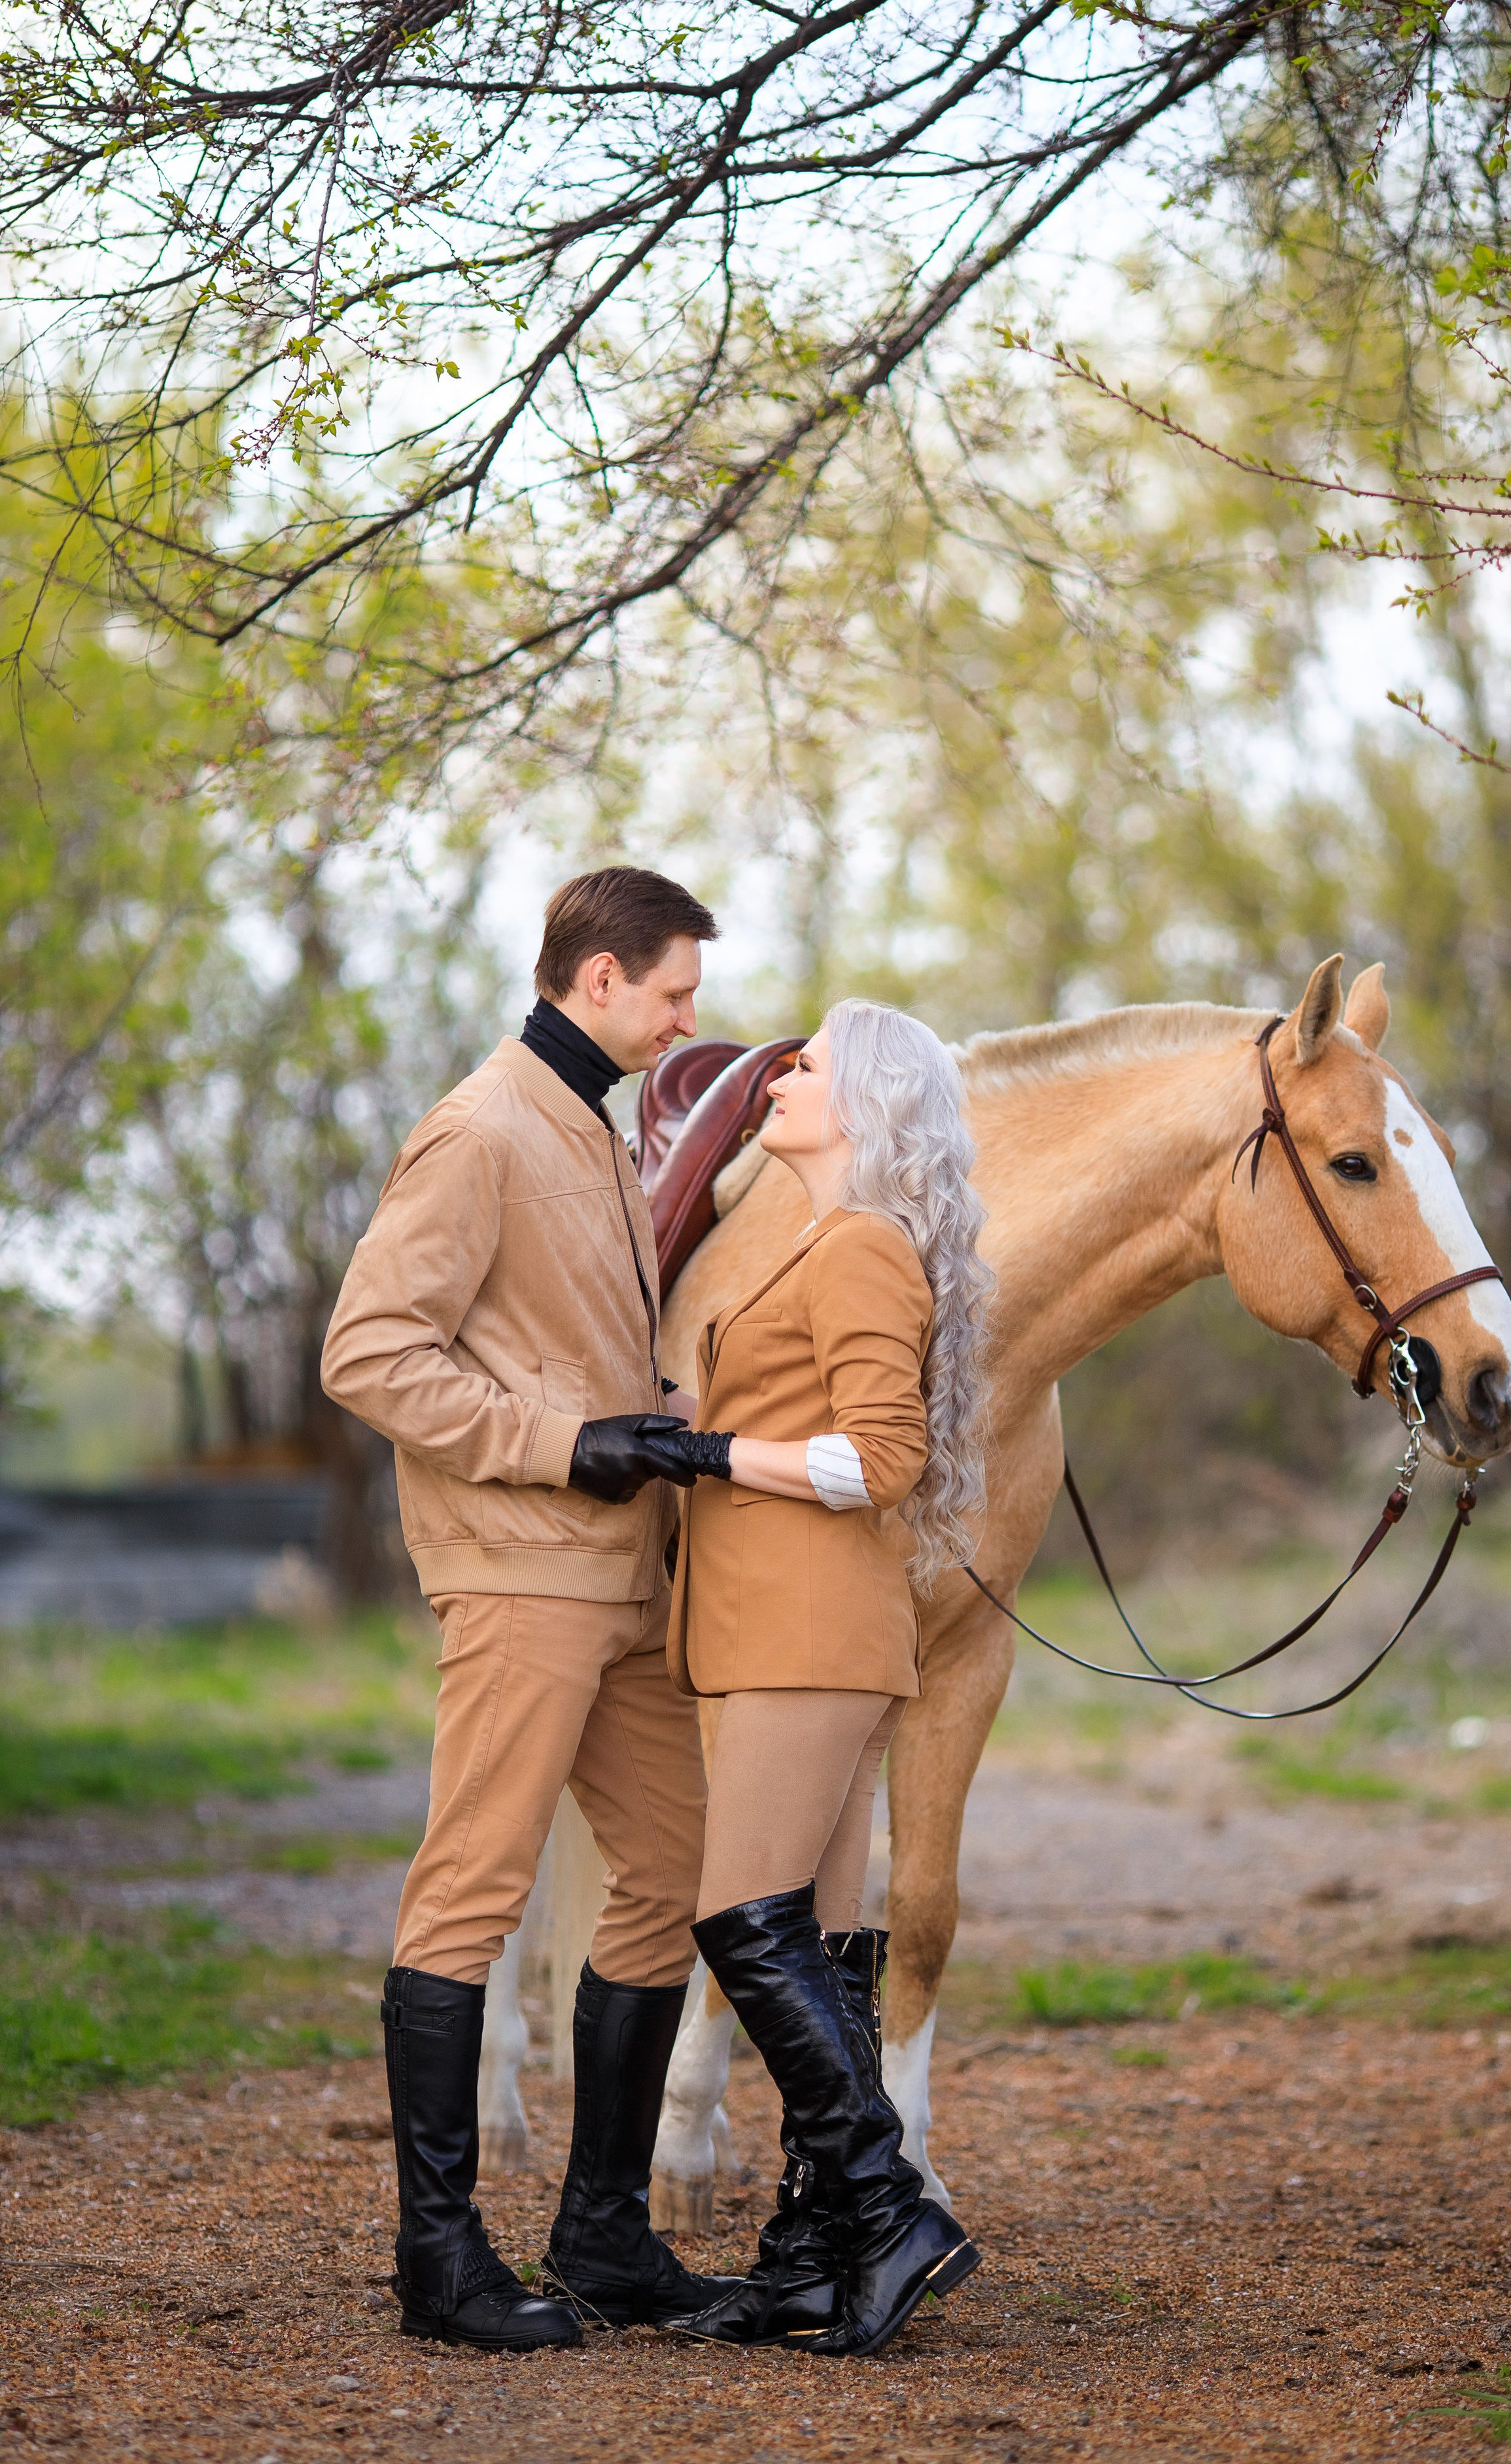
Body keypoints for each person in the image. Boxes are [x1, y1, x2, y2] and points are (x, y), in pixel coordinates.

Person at [320, 864, 742, 2353]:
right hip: (519, 1569)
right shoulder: (484, 1126)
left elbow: (555, 1345)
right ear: (601, 978)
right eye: (674, 990)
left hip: (620, 1574)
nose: (689, 1016)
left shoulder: (594, 1128)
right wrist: (566, 1442)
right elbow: (369, 1353)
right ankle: (437, 2261)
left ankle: (602, 2237)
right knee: (474, 1885)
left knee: (685, 1861)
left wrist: (655, 1415)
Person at [662, 999, 994, 2358]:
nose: (779, 1074)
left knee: (741, 1921)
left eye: (810, 1066)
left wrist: (711, 1457)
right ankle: (808, 2259)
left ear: (868, 1106)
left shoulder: (859, 1246)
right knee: (828, 1954)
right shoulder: (820, 1239)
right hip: (791, 1632)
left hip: (807, 1633)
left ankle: (882, 2203)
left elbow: (881, 1459)